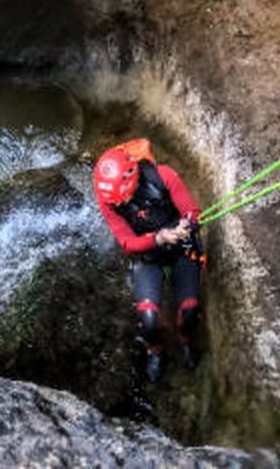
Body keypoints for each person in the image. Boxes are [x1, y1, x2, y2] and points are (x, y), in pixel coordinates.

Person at [93, 139, 204, 382]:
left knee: (190, 311)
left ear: (131, 182)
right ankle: (156, 351)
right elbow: (126, 242)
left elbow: (192, 211)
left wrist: (188, 223)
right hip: (148, 254)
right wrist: (158, 238)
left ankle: (185, 341)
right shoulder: (108, 200)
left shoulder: (162, 176)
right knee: (149, 319)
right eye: (111, 200)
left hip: (180, 246)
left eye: (119, 199)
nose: (116, 205)